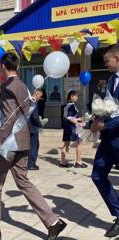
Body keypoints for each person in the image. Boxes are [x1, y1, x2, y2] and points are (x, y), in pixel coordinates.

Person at [0, 53, 66, 240]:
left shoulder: (8, 88)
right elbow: (24, 113)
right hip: (23, 141)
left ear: (2, 67)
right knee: (24, 182)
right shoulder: (23, 85)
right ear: (17, 67)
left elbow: (8, 119)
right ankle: (53, 221)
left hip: (8, 144)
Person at [90, 44, 119, 238]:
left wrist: (106, 125)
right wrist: (96, 119)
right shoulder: (109, 81)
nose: (105, 64)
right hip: (109, 139)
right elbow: (109, 107)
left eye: (107, 60)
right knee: (97, 175)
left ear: (117, 58)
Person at [60, 90, 87, 168]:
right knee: (80, 142)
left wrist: (79, 119)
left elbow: (70, 117)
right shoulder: (71, 105)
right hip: (71, 128)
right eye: (76, 96)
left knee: (66, 144)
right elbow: (70, 117)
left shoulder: (67, 105)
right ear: (71, 96)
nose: (77, 97)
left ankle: (63, 162)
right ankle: (78, 162)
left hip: (67, 127)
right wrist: (78, 123)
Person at [28, 88, 44, 170]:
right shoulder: (33, 102)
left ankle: (31, 163)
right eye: (39, 96)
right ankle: (31, 164)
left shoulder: (28, 101)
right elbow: (34, 117)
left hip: (29, 127)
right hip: (33, 128)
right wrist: (40, 124)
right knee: (34, 146)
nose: (39, 98)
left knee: (32, 145)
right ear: (37, 94)